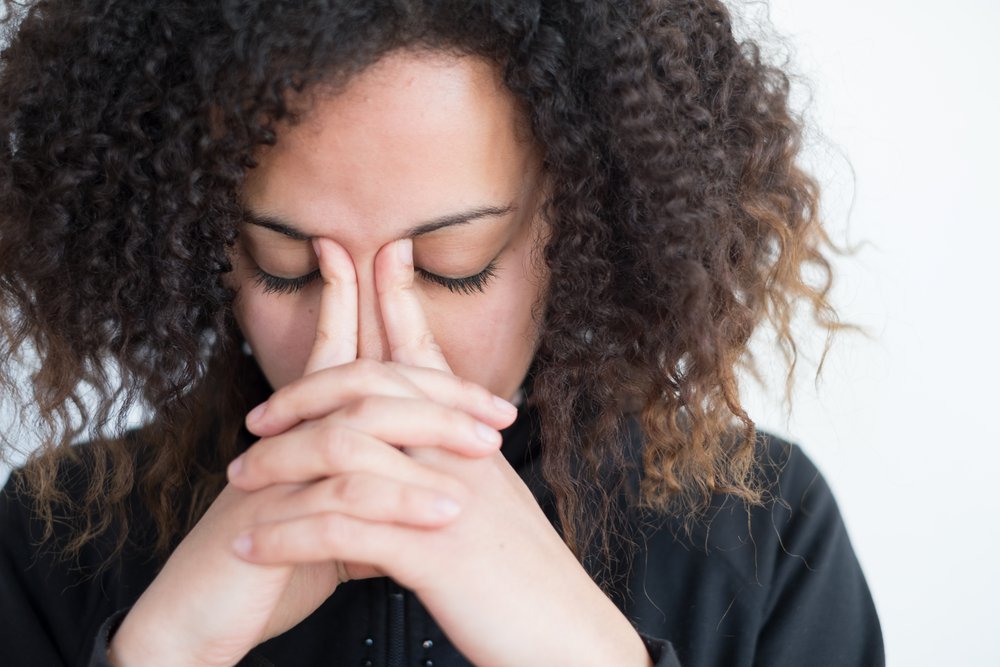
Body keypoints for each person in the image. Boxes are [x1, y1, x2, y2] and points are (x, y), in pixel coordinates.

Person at [0, 1, 884, 665]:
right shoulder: (52, 539)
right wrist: (159, 652)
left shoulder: (766, 537)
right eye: (288, 266)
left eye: (450, 265)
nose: (368, 351)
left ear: (580, 225)